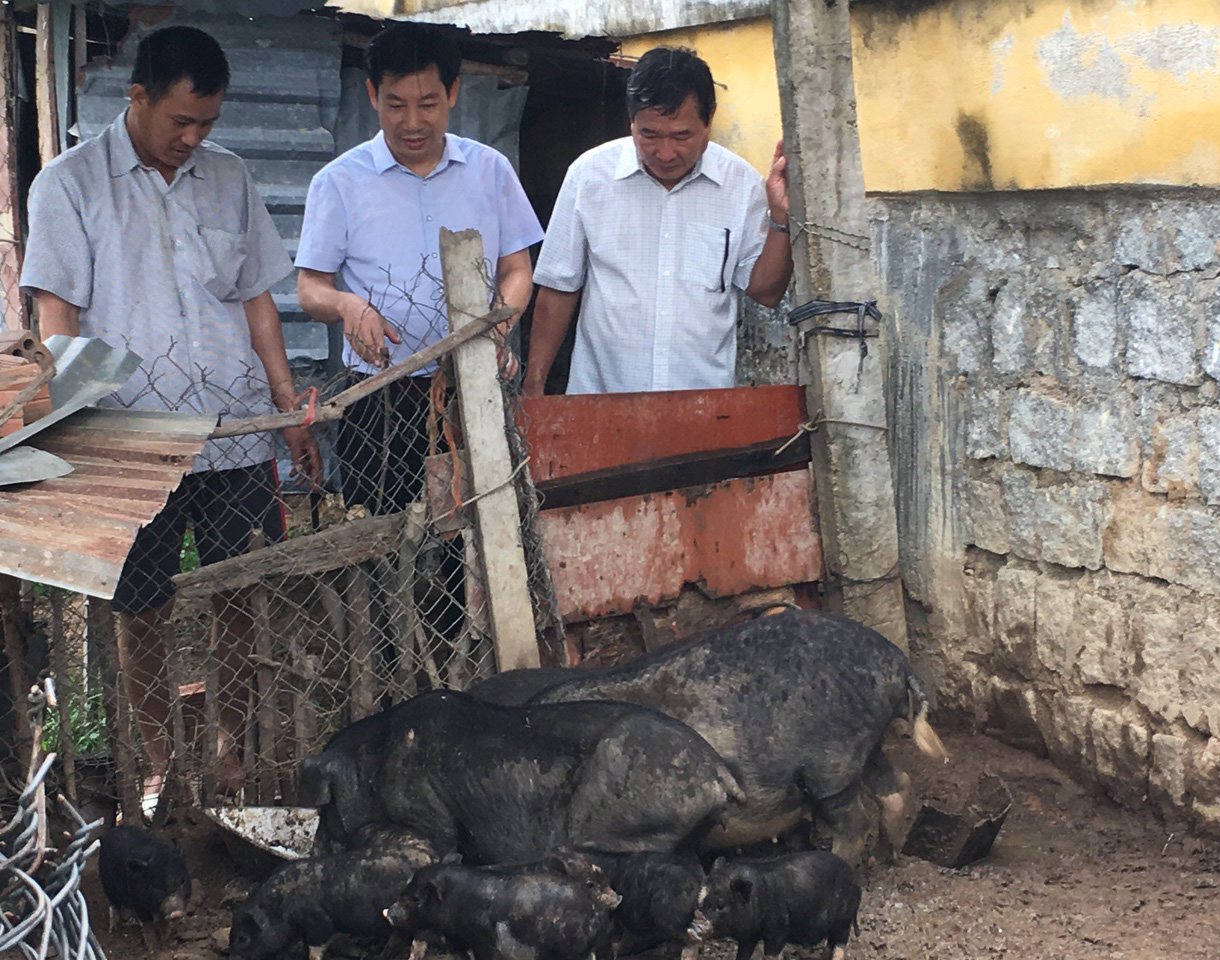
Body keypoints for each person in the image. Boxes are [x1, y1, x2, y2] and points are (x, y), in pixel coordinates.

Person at [20, 25, 321, 798]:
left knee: (239, 588)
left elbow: (258, 305)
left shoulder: (230, 179)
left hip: (233, 429)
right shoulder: (70, 184)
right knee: (141, 604)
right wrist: (77, 432)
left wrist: (287, 408)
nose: (193, 138)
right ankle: (157, 760)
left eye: (207, 124)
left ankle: (231, 753)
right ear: (138, 97)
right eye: (179, 121)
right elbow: (58, 318)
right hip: (133, 436)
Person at [296, 22, 543, 516]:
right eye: (395, 104)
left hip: (472, 383)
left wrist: (497, 324)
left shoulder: (490, 170)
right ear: (371, 94)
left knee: (476, 532)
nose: (412, 121)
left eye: (428, 103)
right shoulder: (338, 183)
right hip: (378, 395)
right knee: (383, 534)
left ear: (452, 92)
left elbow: (518, 269)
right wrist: (347, 304)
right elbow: (309, 287)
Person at [523, 46, 794, 396]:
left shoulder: (740, 183)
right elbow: (559, 286)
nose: (665, 153)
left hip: (703, 408)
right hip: (601, 403)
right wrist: (534, 383)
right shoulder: (589, 176)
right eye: (649, 134)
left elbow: (766, 292)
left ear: (708, 121)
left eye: (682, 136)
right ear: (631, 121)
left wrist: (781, 217)